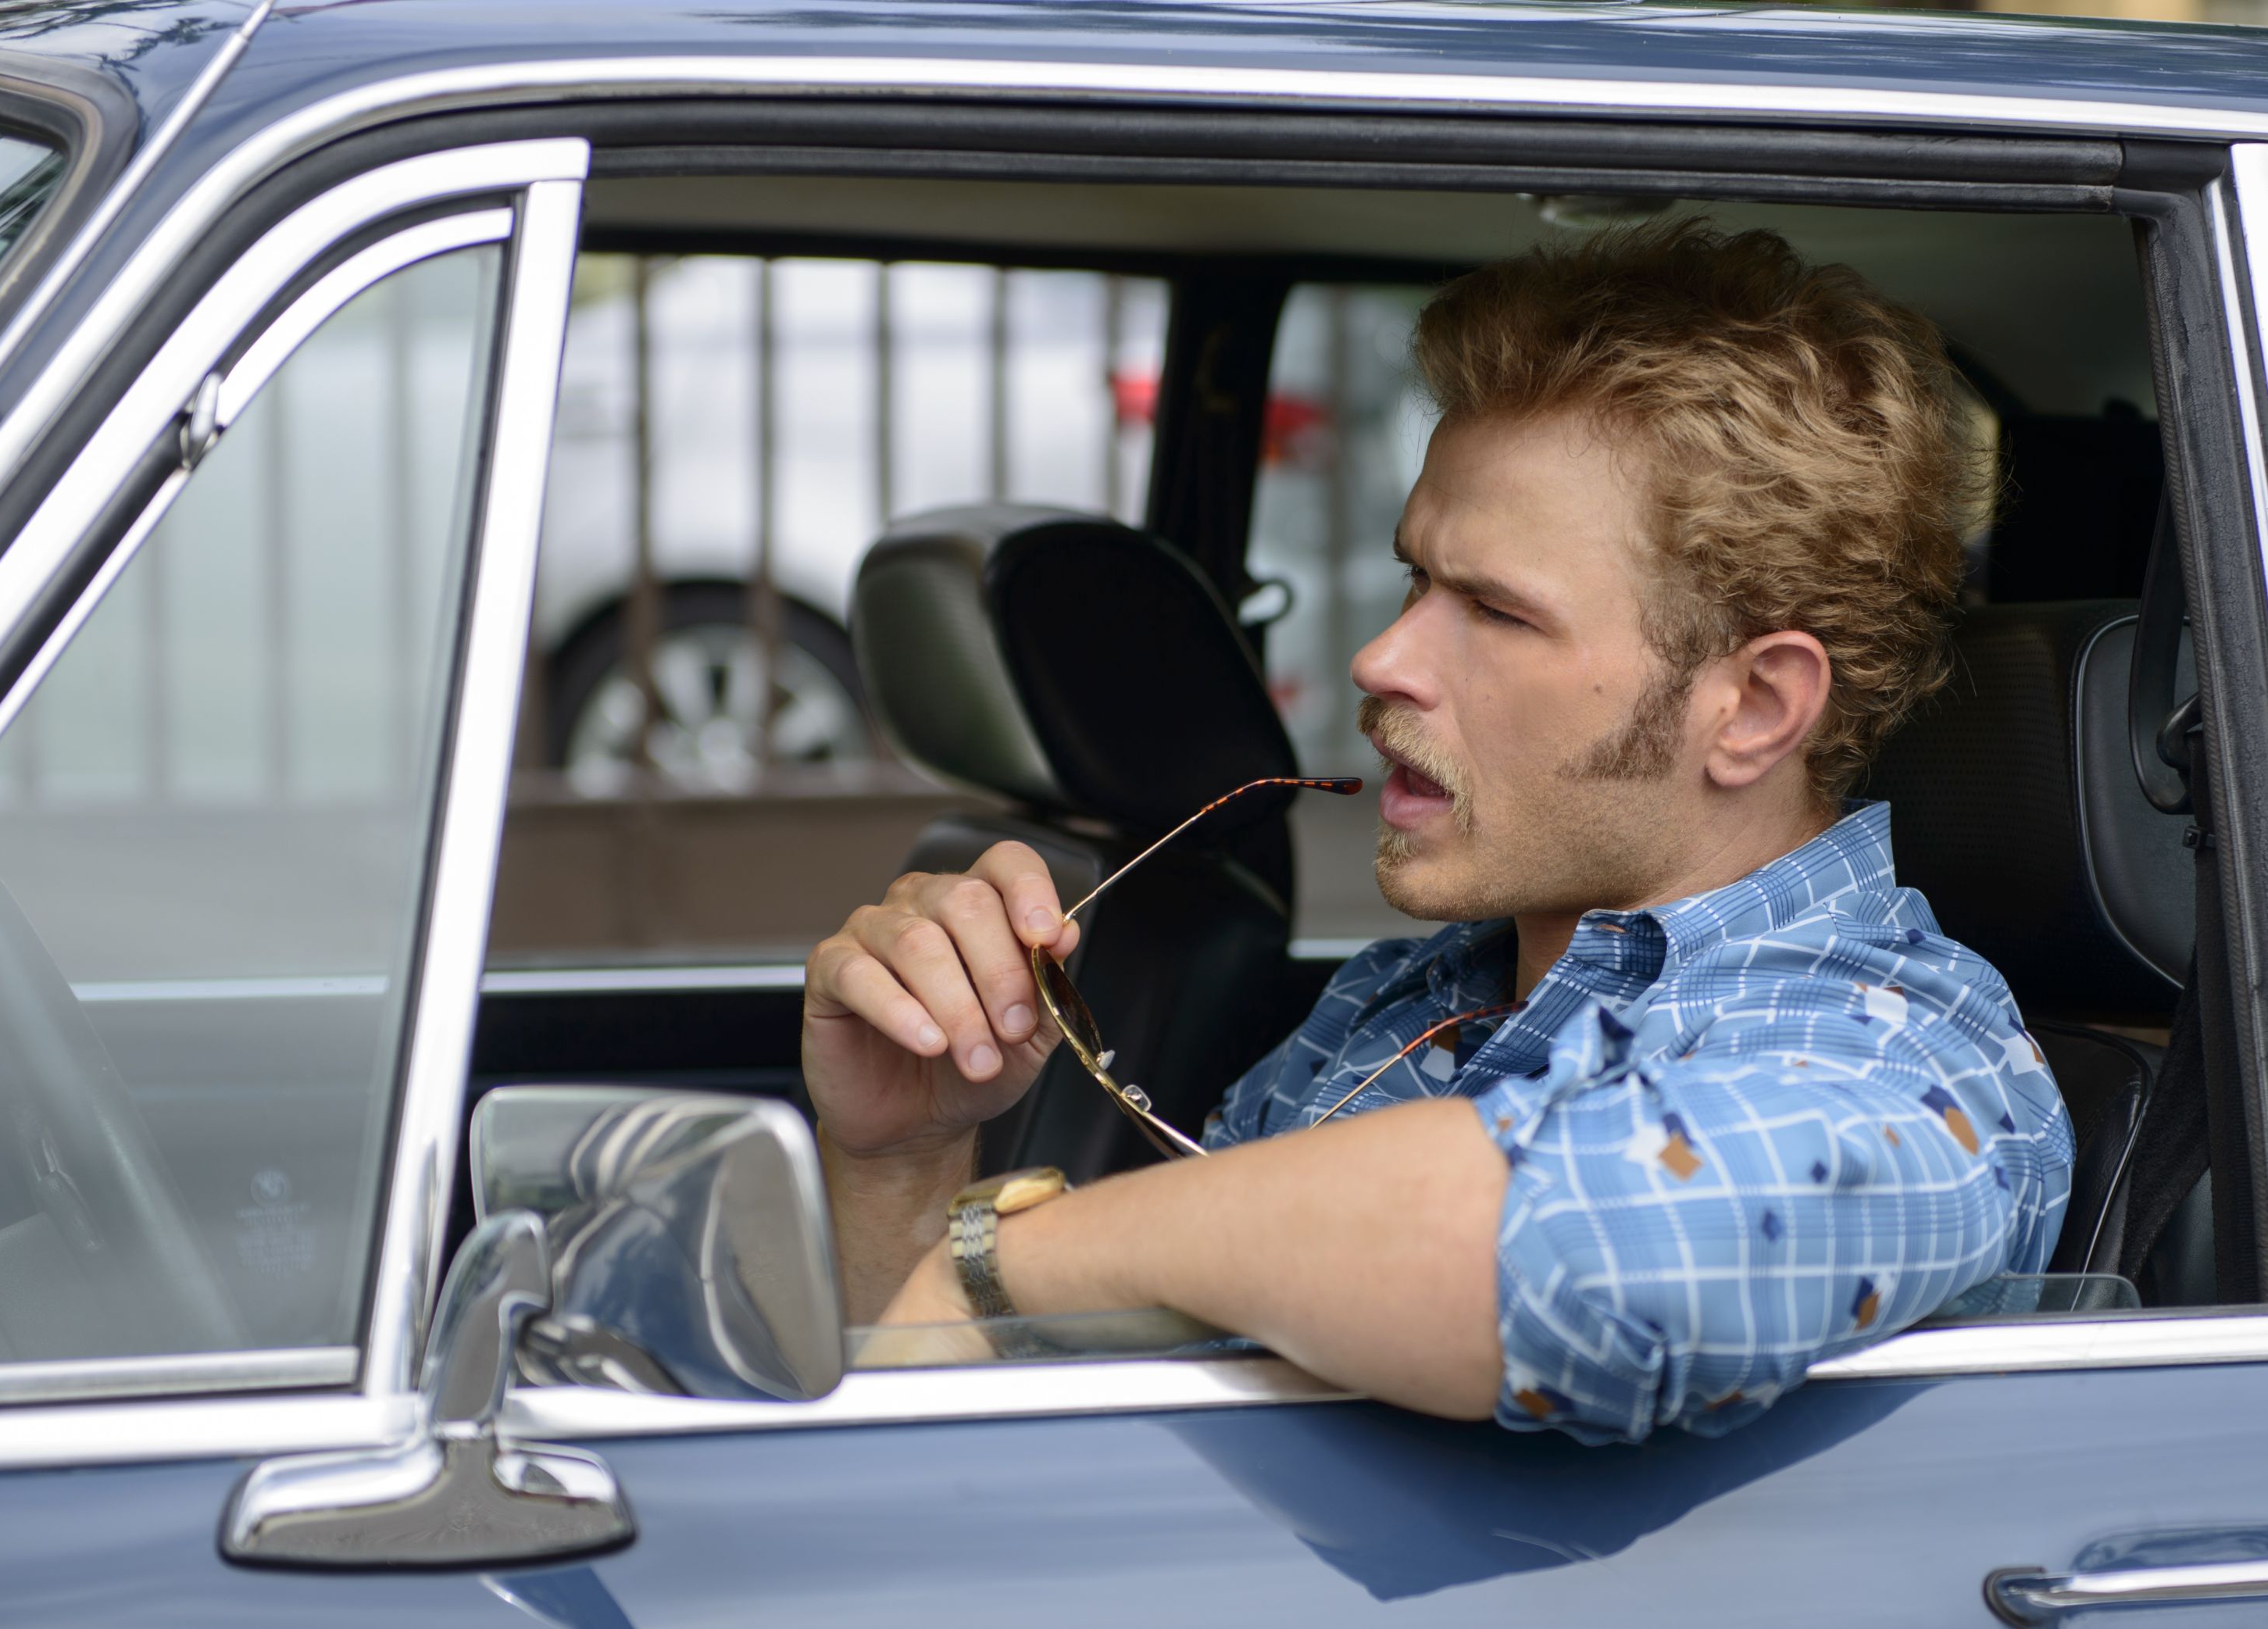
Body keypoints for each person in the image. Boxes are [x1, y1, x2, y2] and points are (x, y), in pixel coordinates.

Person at [802, 220, 2071, 1443]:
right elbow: (1001, 1460)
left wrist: (996, 1261)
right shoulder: (1400, 1001)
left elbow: (1564, 1248)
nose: (1383, 658)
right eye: (1418, 578)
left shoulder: (1914, 1062)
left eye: (1499, 613)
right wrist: (907, 1160)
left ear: (1752, 708)